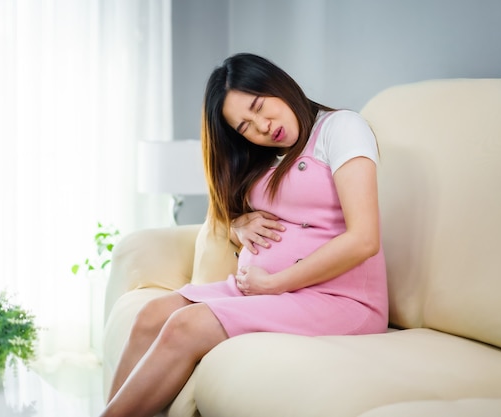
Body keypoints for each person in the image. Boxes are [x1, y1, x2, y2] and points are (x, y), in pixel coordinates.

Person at [99, 53, 388, 417]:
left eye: (259, 106)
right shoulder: (268, 155)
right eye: (245, 126)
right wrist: (238, 225)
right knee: (151, 315)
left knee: (187, 324)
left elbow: (364, 239)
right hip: (273, 289)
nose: (263, 126)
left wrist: (275, 283)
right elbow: (263, 212)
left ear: (277, 85)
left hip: (340, 298)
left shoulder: (341, 128)